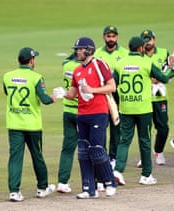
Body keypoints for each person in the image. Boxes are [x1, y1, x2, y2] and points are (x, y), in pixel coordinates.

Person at [53, 37, 117, 198]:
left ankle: (110, 182)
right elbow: (73, 94)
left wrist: (92, 90)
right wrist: (63, 94)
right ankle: (89, 188)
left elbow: (112, 86)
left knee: (97, 149)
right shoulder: (77, 70)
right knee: (83, 151)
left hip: (98, 112)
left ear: (89, 50)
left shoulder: (99, 64)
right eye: (76, 49)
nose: (77, 52)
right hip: (82, 114)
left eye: (80, 49)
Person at [112, 36, 170, 185]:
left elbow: (113, 87)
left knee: (124, 141)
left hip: (126, 108)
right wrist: (170, 67)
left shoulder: (120, 64)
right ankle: (146, 175)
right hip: (143, 108)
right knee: (144, 141)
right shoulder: (147, 63)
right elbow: (164, 78)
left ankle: (118, 171)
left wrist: (118, 103)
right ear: (140, 48)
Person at [3, 47, 57, 202]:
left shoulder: (7, 76)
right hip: (32, 125)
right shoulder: (36, 77)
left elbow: (7, 93)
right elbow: (45, 100)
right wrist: (55, 97)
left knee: (15, 158)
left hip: (14, 124)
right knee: (37, 156)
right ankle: (42, 188)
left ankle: (14, 192)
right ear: (31, 60)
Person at [139, 29, 174, 165]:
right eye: (144, 40)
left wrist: (161, 78)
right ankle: (144, 156)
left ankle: (158, 151)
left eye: (149, 39)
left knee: (163, 128)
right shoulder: (139, 55)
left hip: (160, 97)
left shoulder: (163, 53)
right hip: (144, 98)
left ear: (154, 40)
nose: (147, 42)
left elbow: (171, 72)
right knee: (145, 129)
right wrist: (150, 79)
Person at [94, 25, 129, 169]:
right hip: (102, 93)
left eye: (113, 36)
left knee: (116, 127)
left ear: (117, 37)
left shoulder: (125, 54)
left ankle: (113, 157)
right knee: (102, 126)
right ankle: (103, 155)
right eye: (108, 36)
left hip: (117, 94)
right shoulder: (96, 54)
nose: (111, 39)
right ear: (104, 37)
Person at [56, 44, 82, 193]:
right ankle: (97, 182)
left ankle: (62, 182)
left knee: (67, 148)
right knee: (93, 146)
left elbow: (66, 60)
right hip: (83, 112)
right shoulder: (82, 69)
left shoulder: (66, 65)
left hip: (68, 111)